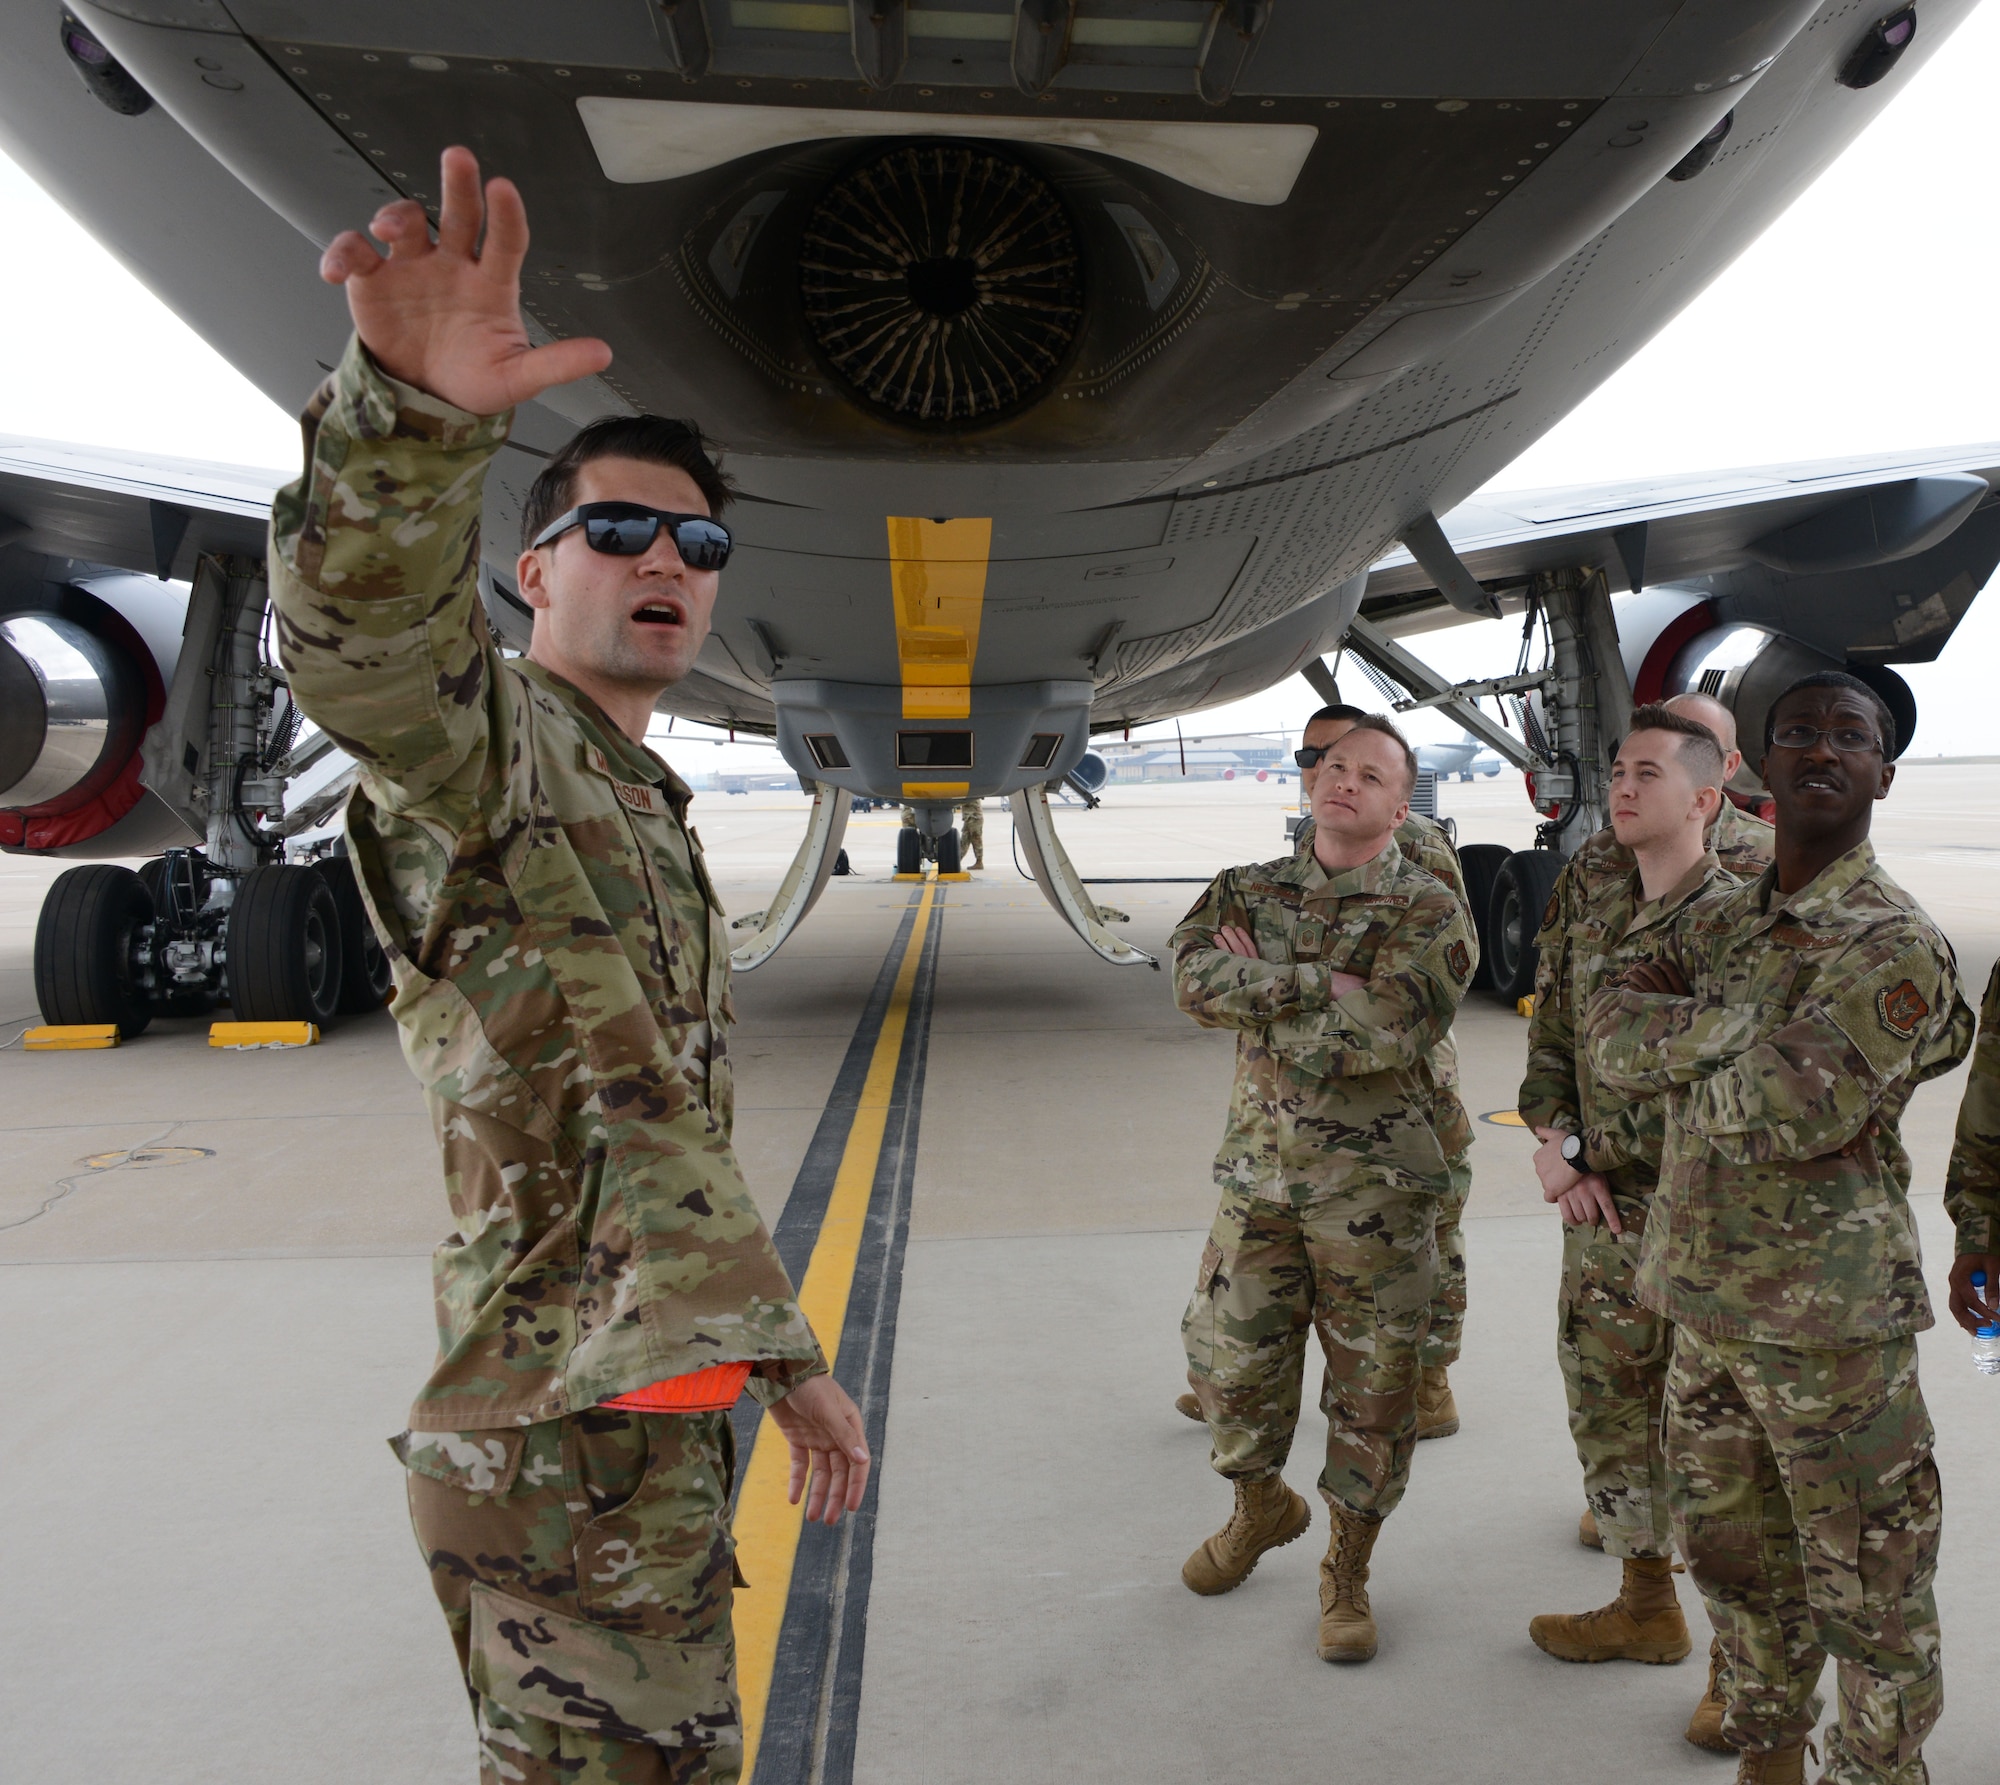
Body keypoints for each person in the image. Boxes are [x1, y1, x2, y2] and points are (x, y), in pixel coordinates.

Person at [273, 146, 869, 1785]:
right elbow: (367, 648)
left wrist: (785, 1358)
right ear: (535, 573)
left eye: (699, 544)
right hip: (561, 1440)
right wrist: (408, 415)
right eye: (618, 530)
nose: (668, 560)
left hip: (635, 1425)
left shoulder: (633, 802)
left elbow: (653, 1131)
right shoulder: (488, 751)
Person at [1586, 672, 1971, 1785]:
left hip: (1827, 1334)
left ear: (1879, 775)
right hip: (1700, 1306)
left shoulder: (1892, 942)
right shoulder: (1720, 918)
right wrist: (1740, 1035)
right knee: (1733, 1566)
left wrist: (1693, 1043)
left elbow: (1785, 1111)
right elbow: (1604, 1031)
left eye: (1847, 735)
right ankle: (1767, 1756)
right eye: (1795, 730)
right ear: (1753, 766)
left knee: (1868, 1593)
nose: (1819, 746)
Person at [1171, 716, 1475, 1662]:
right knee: (1227, 1369)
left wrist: (1262, 982)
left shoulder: (1429, 910)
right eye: (1334, 766)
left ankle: (1347, 1569)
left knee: (1374, 1395)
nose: (1345, 781)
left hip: (1374, 1198)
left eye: (1371, 774)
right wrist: (1319, 979)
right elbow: (1189, 978)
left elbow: (1381, 1034)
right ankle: (1260, 1503)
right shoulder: (1247, 885)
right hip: (1258, 1182)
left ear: (1399, 803)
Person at [1516, 706, 1740, 1704]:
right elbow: (1552, 1024)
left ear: (1709, 785)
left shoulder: (1746, 908)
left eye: (1644, 770)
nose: (1618, 784)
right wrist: (1559, 1147)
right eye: (1617, 767)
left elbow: (1750, 1084)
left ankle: (1743, 1675)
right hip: (1602, 1212)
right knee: (1606, 1405)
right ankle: (1645, 1603)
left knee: (1725, 1447)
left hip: (1710, 1227)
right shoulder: (1592, 878)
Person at [958, 796, 985, 869]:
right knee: (964, 840)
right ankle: (957, 860)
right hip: (969, 818)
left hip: (974, 818)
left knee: (976, 840)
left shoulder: (971, 793)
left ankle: (979, 862)